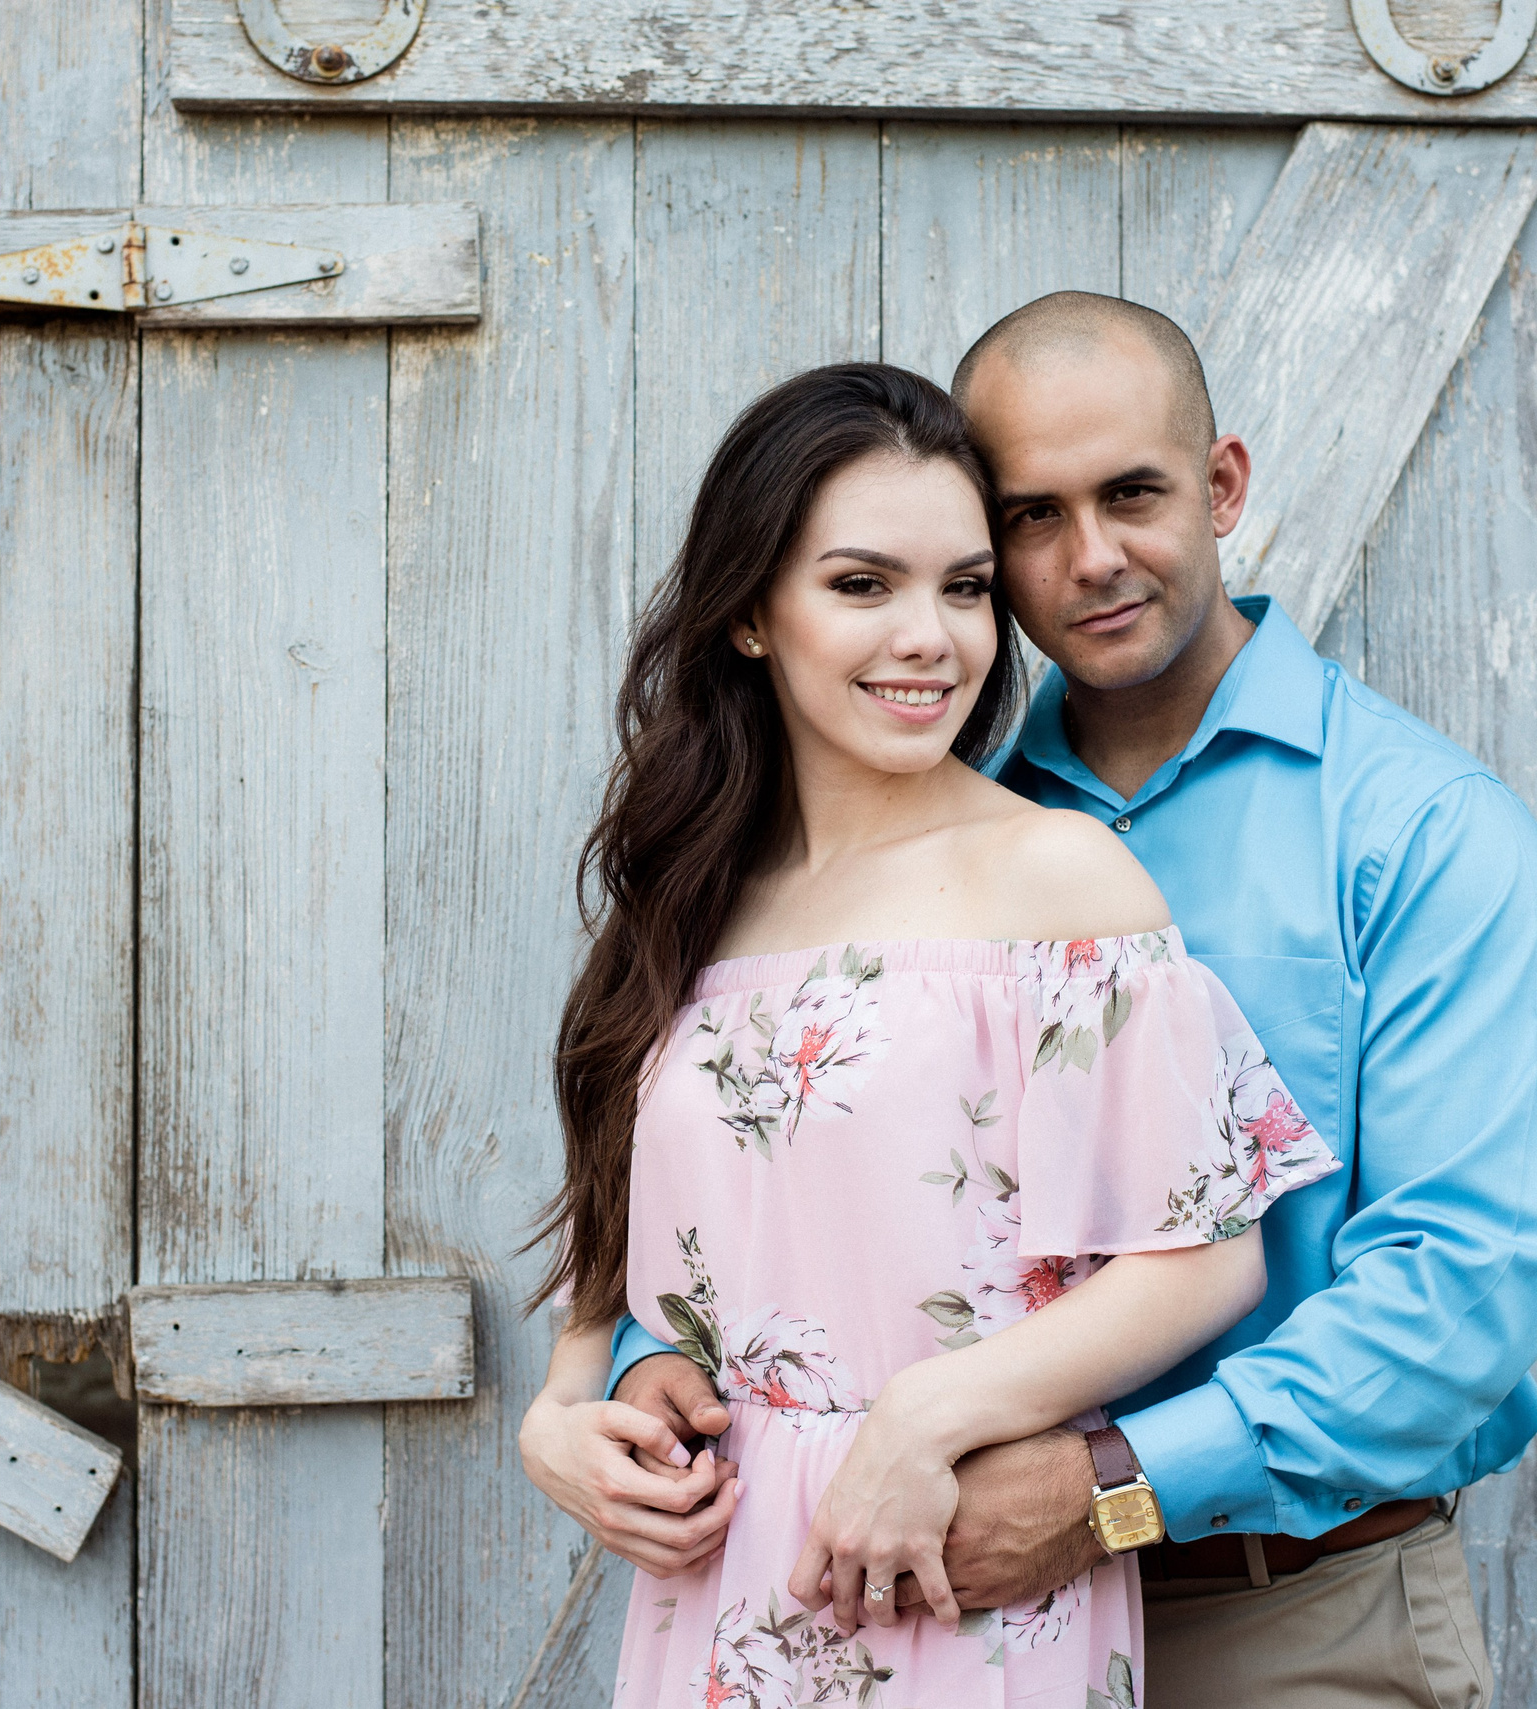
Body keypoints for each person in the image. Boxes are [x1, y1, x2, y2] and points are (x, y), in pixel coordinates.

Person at [545, 294, 1537, 1709]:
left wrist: (1106, 1489)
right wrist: (626, 1382)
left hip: (1284, 1612)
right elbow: (781, 1219)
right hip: (874, 1583)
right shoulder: (898, 838)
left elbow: (1455, 1303)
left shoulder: (1423, 837)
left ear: (1224, 485)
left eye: (1133, 495)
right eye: (1032, 519)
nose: (1090, 556)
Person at [516, 363, 1341, 1705]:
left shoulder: (1059, 880)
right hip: (721, 1598)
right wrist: (560, 1417)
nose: (931, 637)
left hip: (953, 1572)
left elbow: (1201, 1261)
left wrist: (926, 1417)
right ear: (746, 615)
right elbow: (624, 1252)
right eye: (862, 585)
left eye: (963, 587)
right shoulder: (692, 900)